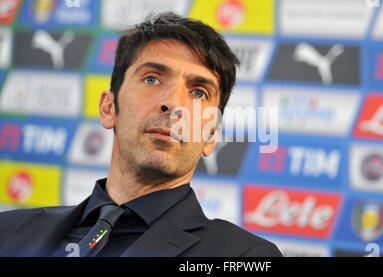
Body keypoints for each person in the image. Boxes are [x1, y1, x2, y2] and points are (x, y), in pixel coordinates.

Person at [0, 12, 282, 257]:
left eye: (198, 92)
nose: (173, 104)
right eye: (152, 79)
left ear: (211, 136)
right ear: (109, 108)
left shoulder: (245, 256)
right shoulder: (7, 231)